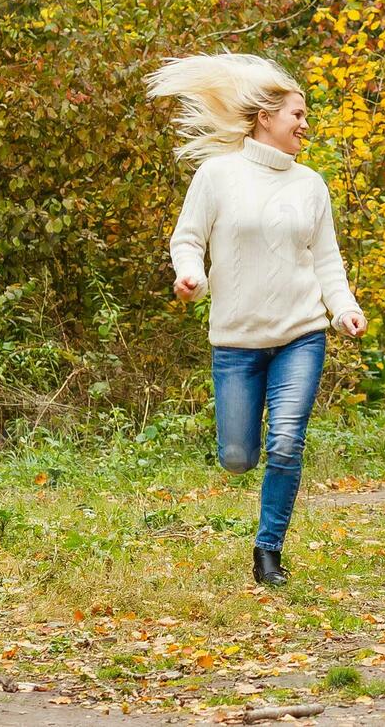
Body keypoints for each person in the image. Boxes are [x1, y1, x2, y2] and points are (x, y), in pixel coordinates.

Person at [147, 53, 368, 587]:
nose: (305, 124)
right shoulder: (217, 174)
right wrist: (189, 273)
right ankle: (251, 492)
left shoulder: (310, 184)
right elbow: (188, 238)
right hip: (237, 341)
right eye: (298, 113)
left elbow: (326, 260)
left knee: (287, 441)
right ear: (266, 116)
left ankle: (268, 550)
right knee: (238, 456)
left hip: (301, 334)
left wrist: (343, 308)